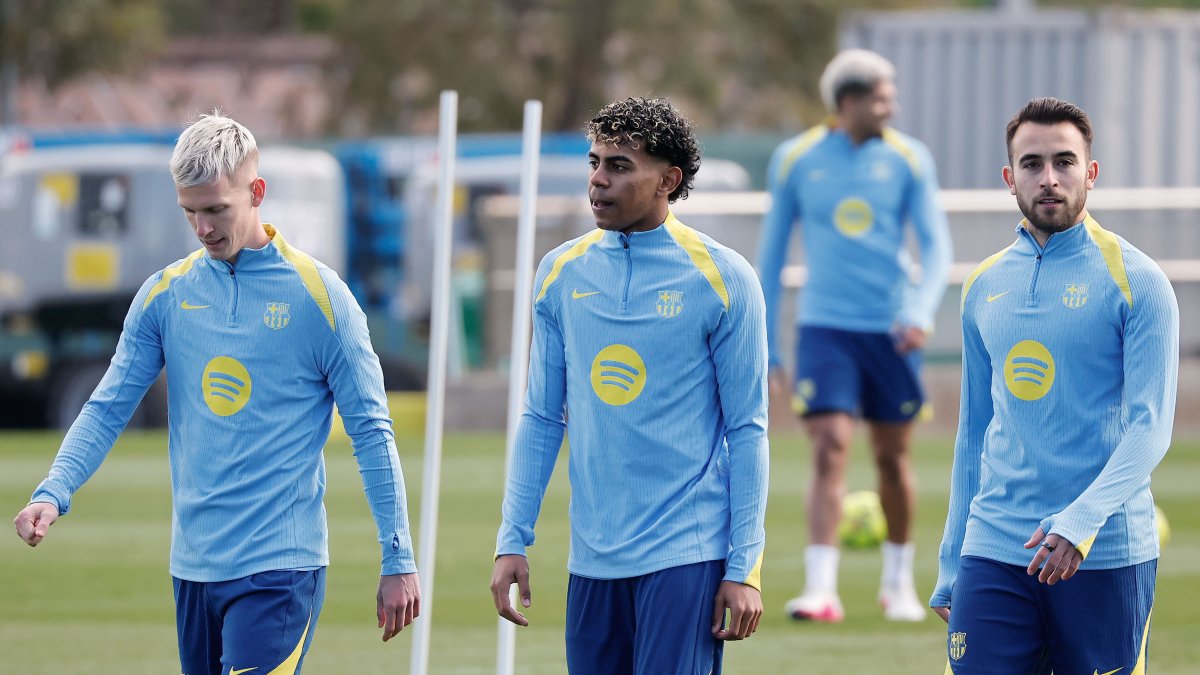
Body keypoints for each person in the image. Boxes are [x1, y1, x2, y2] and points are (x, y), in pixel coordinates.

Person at [11, 113, 421, 673]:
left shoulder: (321, 299)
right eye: (190, 212)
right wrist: (52, 491)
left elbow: (373, 432)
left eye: (215, 210)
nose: (202, 228)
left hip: (280, 570)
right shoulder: (165, 295)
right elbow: (107, 407)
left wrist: (398, 557)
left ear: (256, 193)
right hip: (193, 571)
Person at [489, 96, 769, 675]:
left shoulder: (723, 279)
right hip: (592, 559)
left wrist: (743, 569)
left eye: (619, 166)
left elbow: (748, 429)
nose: (598, 180)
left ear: (668, 179)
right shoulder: (560, 273)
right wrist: (511, 539)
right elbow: (542, 417)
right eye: (594, 163)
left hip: (686, 556)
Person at [931, 97, 1178, 673]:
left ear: (1091, 172)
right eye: (1032, 163)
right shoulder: (984, 285)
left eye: (1064, 162)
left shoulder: (1139, 282)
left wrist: (1079, 521)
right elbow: (974, 433)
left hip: (1106, 553)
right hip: (996, 550)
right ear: (1008, 177)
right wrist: (953, 559)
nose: (1049, 178)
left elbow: (1150, 428)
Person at [756, 48, 952, 622]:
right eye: (881, 96)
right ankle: (822, 591)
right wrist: (767, 345)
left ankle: (899, 585)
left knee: (892, 460)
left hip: (892, 332)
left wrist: (919, 310)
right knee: (829, 447)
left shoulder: (910, 159)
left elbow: (936, 248)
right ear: (848, 103)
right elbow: (769, 260)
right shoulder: (795, 159)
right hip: (824, 330)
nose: (891, 106)